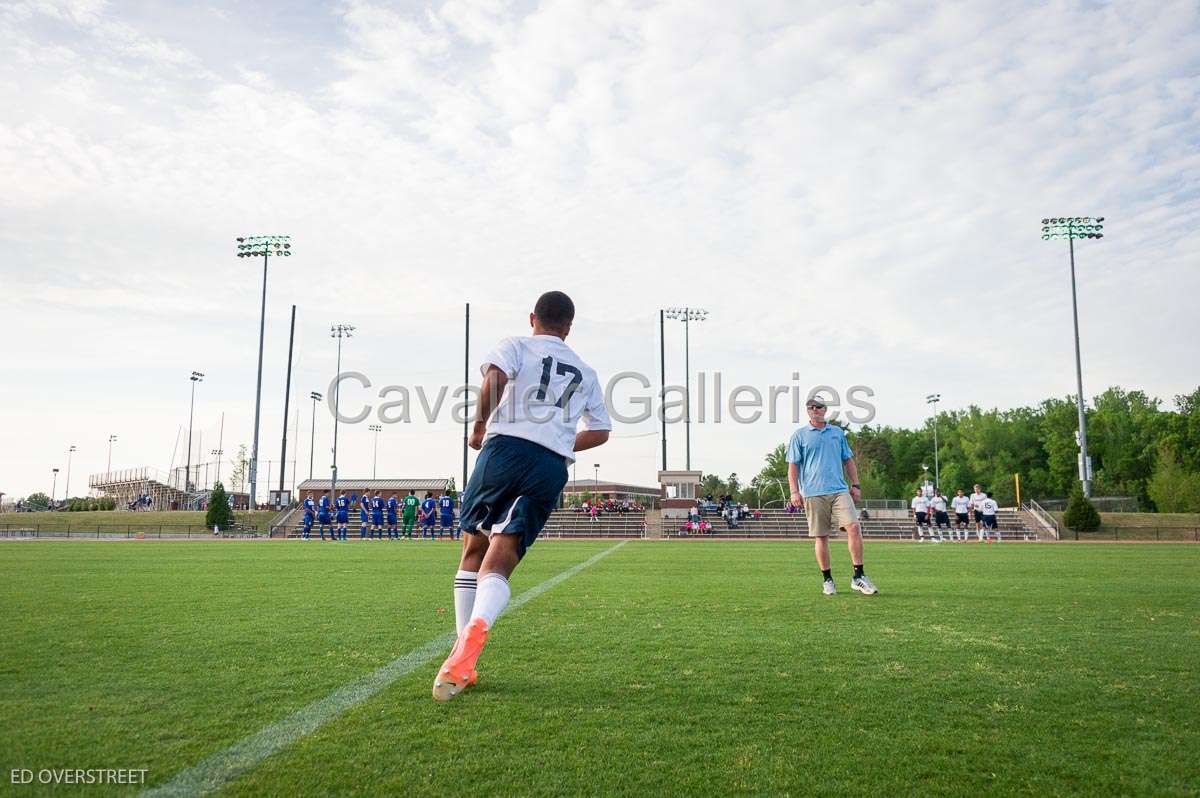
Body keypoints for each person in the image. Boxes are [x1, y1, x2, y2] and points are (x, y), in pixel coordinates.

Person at [433, 291, 611, 701]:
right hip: (550, 466)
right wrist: (563, 441)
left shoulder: (516, 345)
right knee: (505, 552)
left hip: (506, 449)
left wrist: (479, 427)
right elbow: (601, 430)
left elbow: (494, 378)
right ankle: (468, 650)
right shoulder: (585, 371)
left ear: (533, 317)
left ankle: (463, 650)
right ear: (569, 327)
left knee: (474, 546)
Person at [786, 395, 878, 596]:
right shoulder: (799, 436)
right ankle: (827, 579)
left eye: (818, 407)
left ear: (825, 409)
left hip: (839, 490)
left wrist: (856, 485)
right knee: (821, 537)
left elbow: (848, 461)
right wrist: (794, 491)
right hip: (812, 493)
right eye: (810, 407)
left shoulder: (837, 433)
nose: (814, 410)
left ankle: (858, 576)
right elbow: (793, 467)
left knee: (853, 527)